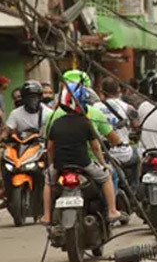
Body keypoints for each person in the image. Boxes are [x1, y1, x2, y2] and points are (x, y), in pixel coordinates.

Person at [42, 82, 121, 225]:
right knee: (106, 177)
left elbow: (50, 147)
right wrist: (103, 164)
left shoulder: (56, 122)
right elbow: (96, 147)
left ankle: (46, 215)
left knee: (48, 182)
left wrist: (52, 163)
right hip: (84, 164)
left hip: (60, 165)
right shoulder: (85, 122)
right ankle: (112, 210)